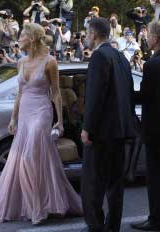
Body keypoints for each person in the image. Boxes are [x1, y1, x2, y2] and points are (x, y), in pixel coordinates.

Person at [0, 22, 83, 224]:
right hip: (25, 113)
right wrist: (13, 117)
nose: (18, 39)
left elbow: (55, 92)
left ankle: (38, 208)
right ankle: (38, 204)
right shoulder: (21, 62)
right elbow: (20, 93)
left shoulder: (50, 62)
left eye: (22, 36)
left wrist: (60, 122)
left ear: (33, 38)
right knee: (27, 159)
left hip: (42, 112)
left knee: (28, 158)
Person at [80, 17, 136, 232]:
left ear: (94, 34)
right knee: (115, 185)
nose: (85, 37)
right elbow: (128, 92)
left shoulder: (98, 57)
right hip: (120, 131)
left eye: (86, 33)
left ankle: (95, 226)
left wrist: (87, 128)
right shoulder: (121, 57)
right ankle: (112, 227)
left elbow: (95, 97)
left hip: (102, 134)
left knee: (93, 184)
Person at [130, 21, 160, 231]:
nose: (146, 38)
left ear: (156, 38)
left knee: (155, 176)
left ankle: (155, 219)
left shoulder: (151, 65)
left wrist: (124, 92)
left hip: (155, 131)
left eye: (148, 34)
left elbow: (146, 97)